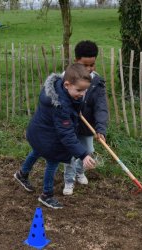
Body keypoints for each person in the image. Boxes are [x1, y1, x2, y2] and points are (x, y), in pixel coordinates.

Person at [14, 64, 96, 209]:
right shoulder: (60, 106)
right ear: (67, 84)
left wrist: (75, 106)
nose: (82, 94)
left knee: (37, 151)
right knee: (53, 162)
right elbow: (66, 134)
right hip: (49, 137)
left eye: (85, 90)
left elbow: (71, 103)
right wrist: (83, 155)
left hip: (38, 131)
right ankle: (47, 195)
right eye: (79, 90)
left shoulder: (55, 86)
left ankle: (22, 174)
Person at [63, 40, 109, 196]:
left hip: (86, 124)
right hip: (69, 123)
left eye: (92, 65)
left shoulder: (97, 82)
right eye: (85, 65)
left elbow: (101, 107)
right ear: (76, 61)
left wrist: (100, 128)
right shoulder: (66, 79)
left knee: (87, 150)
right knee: (70, 153)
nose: (89, 69)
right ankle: (69, 181)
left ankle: (79, 171)